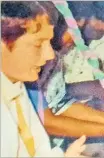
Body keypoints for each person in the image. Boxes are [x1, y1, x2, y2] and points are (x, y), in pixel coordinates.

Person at [25, 1, 104, 157]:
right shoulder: (30, 63)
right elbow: (46, 121)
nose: (76, 41)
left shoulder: (54, 58)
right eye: (75, 32)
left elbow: (62, 104)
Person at [0, 1, 86, 157]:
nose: (50, 55)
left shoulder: (15, 85)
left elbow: (39, 150)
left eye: (49, 43)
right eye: (38, 44)